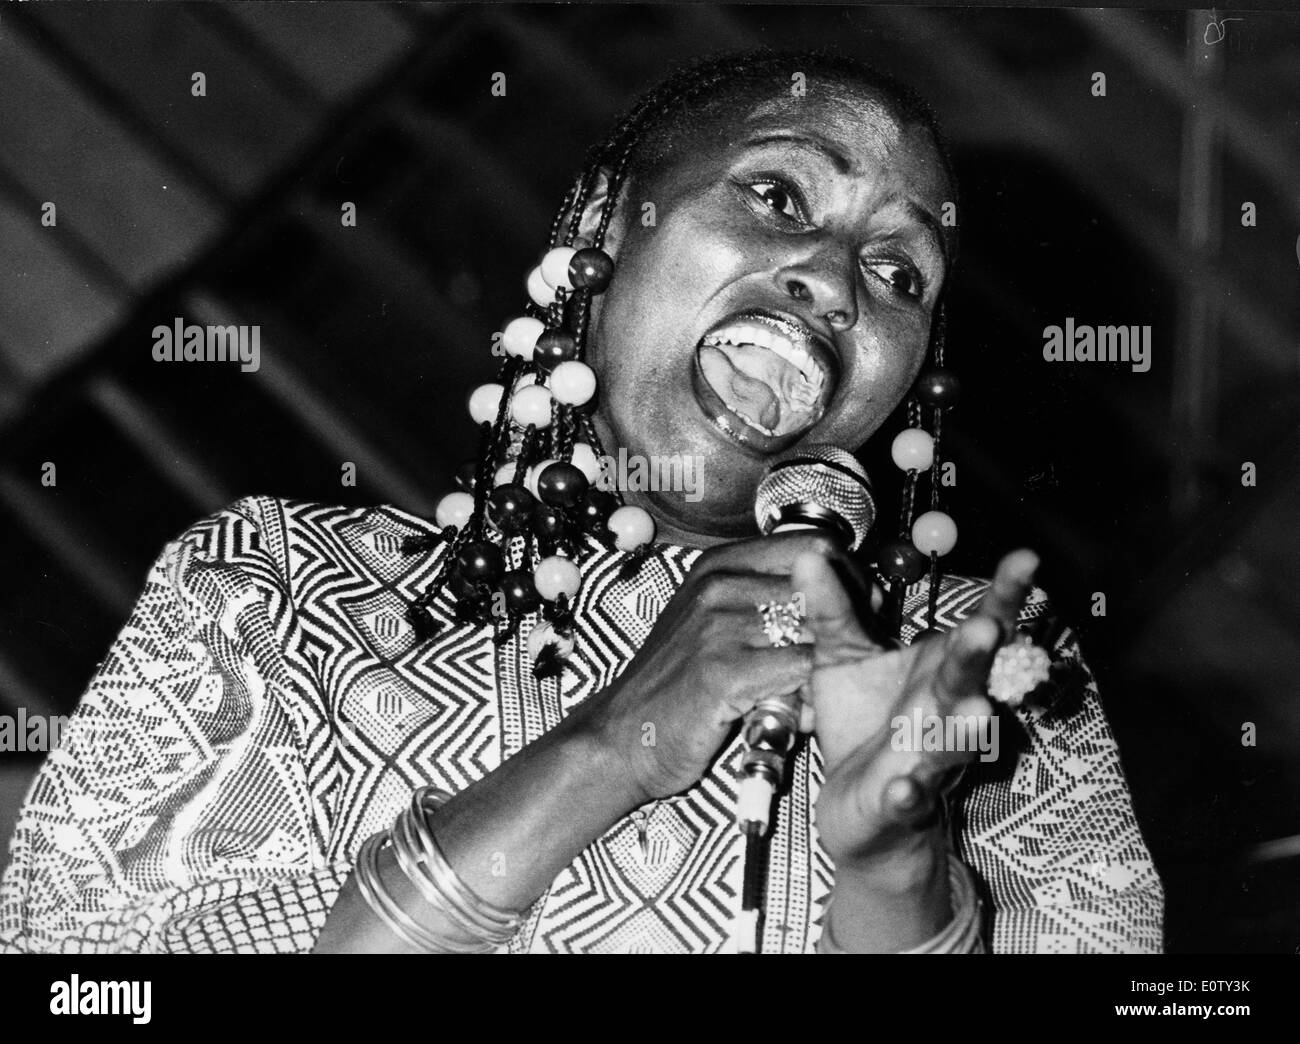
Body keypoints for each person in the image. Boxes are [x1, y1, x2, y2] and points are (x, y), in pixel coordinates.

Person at [0, 50, 1162, 954]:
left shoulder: (991, 671)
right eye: (777, 193)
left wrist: (900, 874)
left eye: (902, 274)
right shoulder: (274, 587)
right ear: (608, 224)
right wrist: (614, 744)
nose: (835, 282)